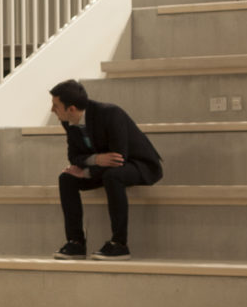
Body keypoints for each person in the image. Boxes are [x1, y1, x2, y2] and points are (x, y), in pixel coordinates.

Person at [48, 79, 163, 259]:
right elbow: (74, 157)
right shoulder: (68, 122)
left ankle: (119, 244)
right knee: (66, 178)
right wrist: (96, 159)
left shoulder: (110, 113)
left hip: (138, 163)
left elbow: (119, 158)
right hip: (105, 167)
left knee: (112, 175)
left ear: (71, 109)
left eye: (55, 106)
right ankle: (76, 243)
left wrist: (87, 171)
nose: (52, 110)